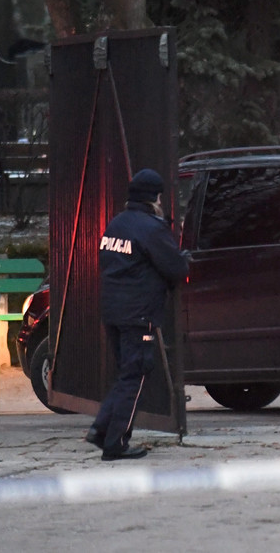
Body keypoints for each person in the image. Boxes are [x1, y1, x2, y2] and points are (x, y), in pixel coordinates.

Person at [86, 168, 189, 460]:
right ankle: (115, 442)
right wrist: (183, 259)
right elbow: (175, 267)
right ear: (155, 198)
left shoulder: (115, 225)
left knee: (126, 374)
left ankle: (101, 430)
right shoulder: (151, 228)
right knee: (136, 374)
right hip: (138, 313)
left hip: (113, 311)